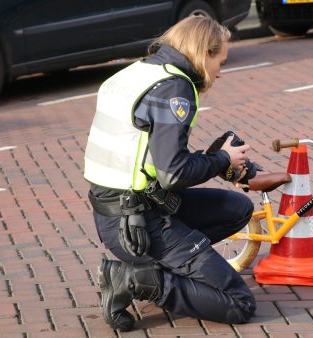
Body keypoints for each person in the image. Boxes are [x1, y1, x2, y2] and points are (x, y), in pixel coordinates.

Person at [83, 16, 257, 332]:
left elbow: (150, 159)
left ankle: (164, 268)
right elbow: (173, 173)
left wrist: (213, 159)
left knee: (239, 209)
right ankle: (137, 279)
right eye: (220, 61)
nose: (220, 72)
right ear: (203, 53)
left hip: (124, 209)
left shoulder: (140, 71)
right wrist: (221, 159)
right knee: (238, 302)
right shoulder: (175, 88)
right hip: (137, 225)